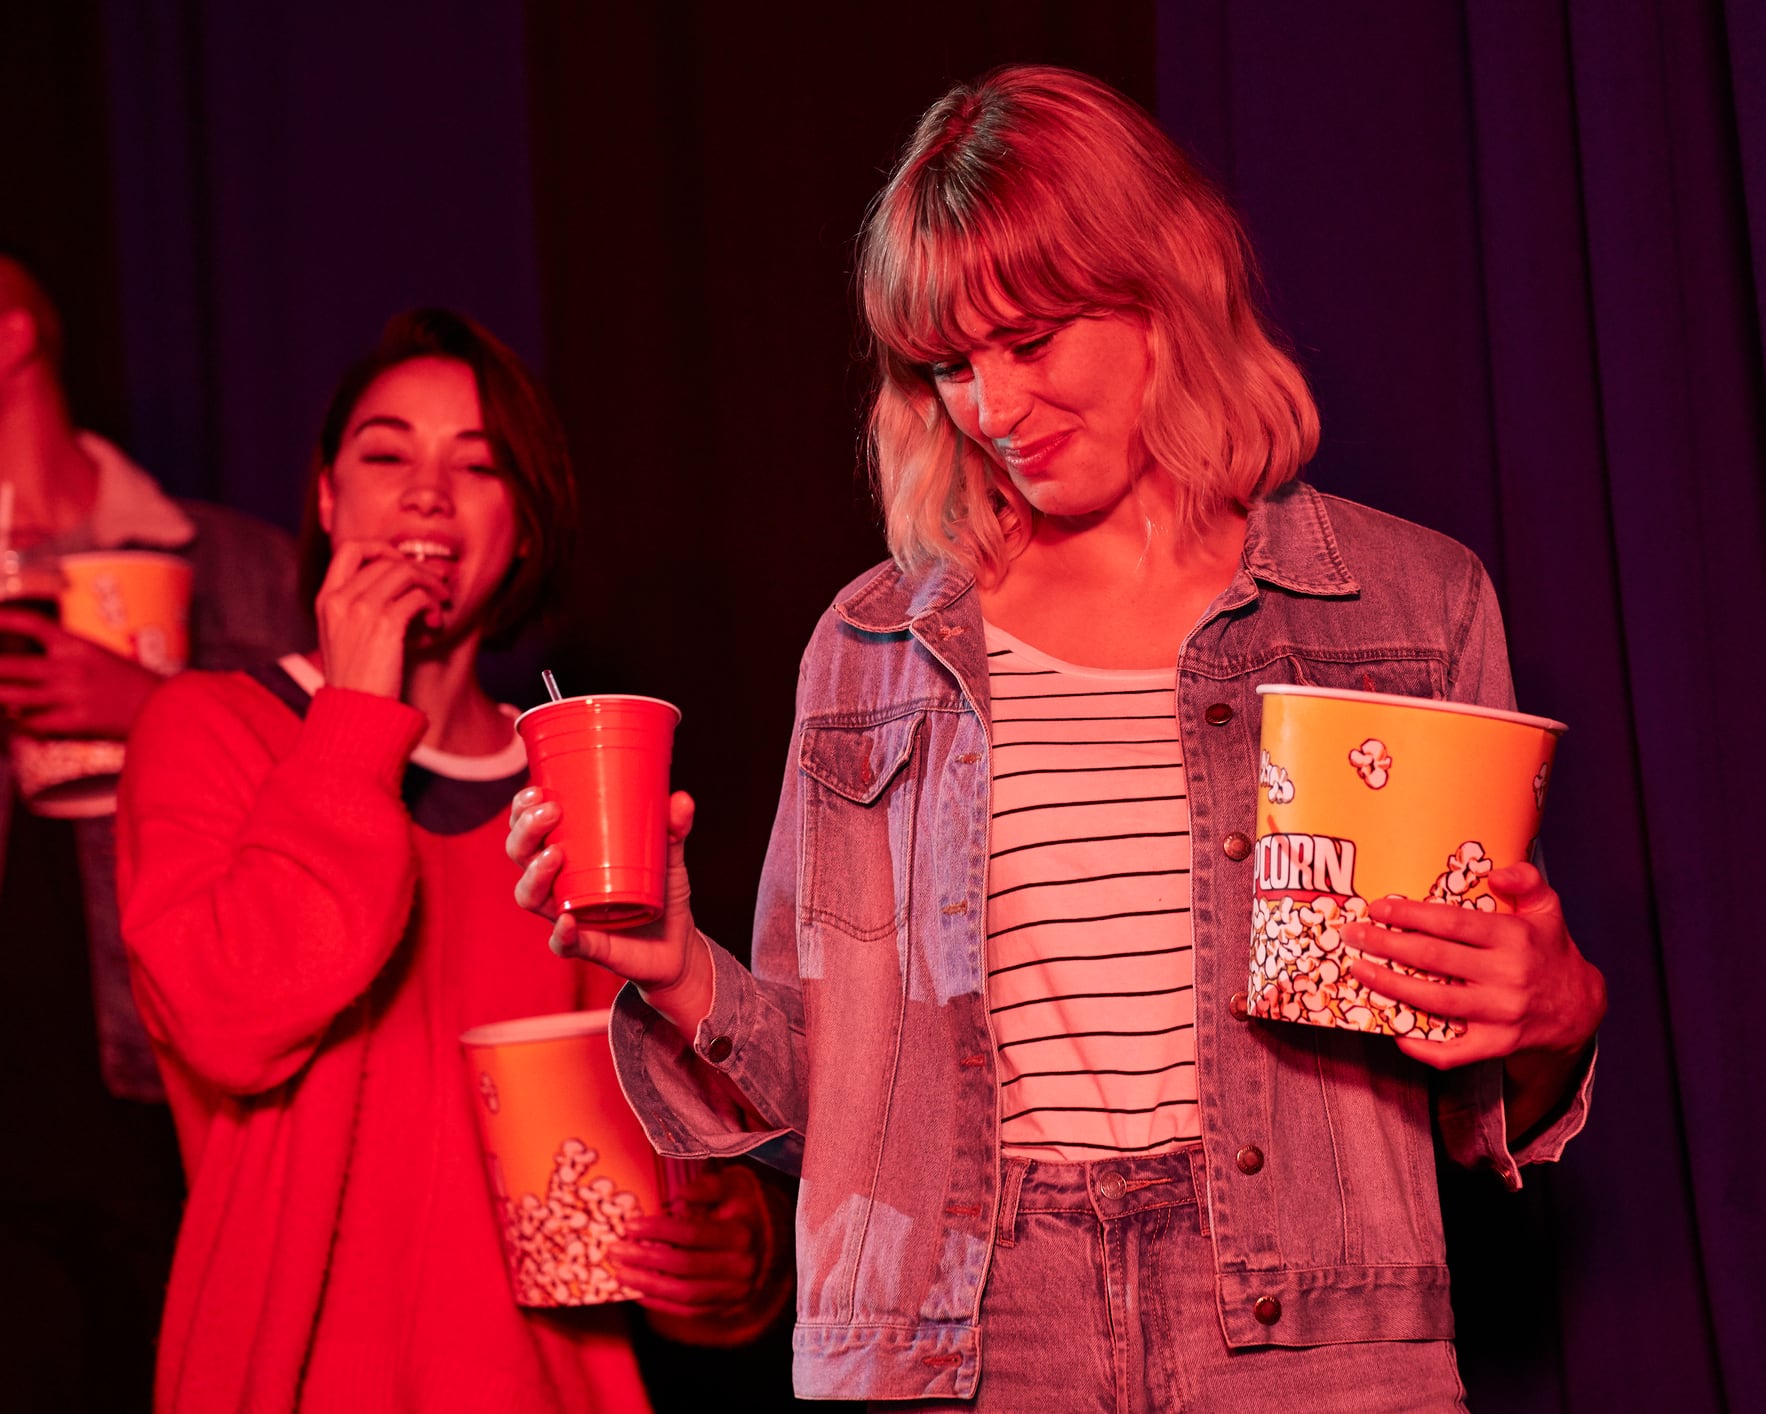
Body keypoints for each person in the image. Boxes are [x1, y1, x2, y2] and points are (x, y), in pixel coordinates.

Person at [509, 67, 1606, 1411]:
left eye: (1030, 341)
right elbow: (833, 1110)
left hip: (1303, 1331)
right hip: (960, 1332)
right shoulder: (872, 647)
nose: (992, 407)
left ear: (1169, 287)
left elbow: (1462, 1072)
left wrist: (1551, 1019)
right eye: (951, 364)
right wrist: (670, 962)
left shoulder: (1403, 605)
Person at [118, 309, 794, 1411]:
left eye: (478, 466)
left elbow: (666, 1143)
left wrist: (730, 1251)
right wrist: (350, 715)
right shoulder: (209, 731)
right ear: (328, 498)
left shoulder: (577, 784)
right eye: (386, 454)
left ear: (524, 525)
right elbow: (234, 1021)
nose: (426, 492)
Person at [0, 254, 307, 1408]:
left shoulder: (231, 561)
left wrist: (151, 710)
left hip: (163, 1079)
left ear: (14, 340)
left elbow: (347, 791)